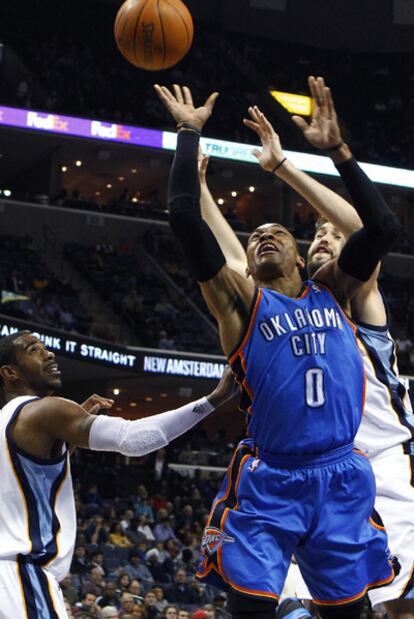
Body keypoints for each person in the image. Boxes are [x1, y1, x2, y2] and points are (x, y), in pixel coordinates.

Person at [154, 83, 400, 619]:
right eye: (255, 234)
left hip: (342, 474)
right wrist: (188, 133)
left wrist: (339, 152)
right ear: (245, 259)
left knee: (348, 612)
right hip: (272, 478)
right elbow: (183, 219)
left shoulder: (333, 291)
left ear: (298, 253)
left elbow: (382, 227)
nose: (265, 235)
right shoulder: (240, 306)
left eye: (277, 231)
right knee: (253, 609)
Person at [0, 330, 237, 618]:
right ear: (10, 372)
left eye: (46, 348)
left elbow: (35, 478)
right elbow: (133, 439)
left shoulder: (7, 422)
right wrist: (213, 399)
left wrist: (66, 437)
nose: (48, 354)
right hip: (20, 576)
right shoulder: (45, 410)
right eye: (34, 350)